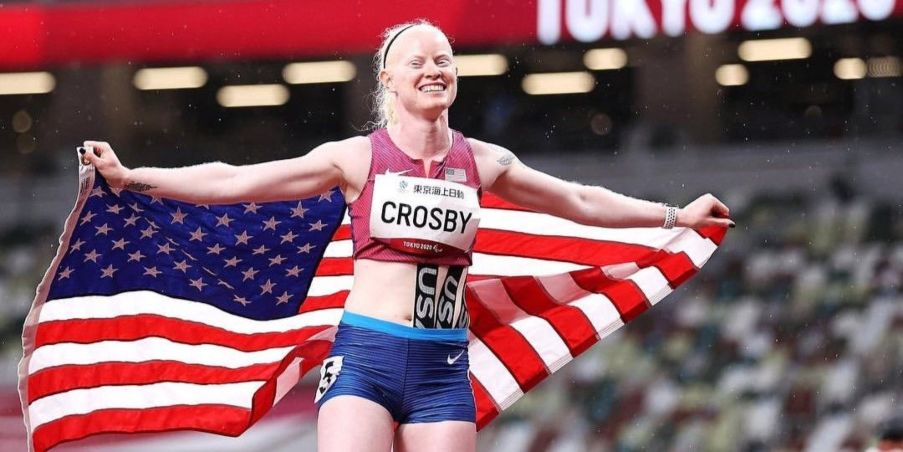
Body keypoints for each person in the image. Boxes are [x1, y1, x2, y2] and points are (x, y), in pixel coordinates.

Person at [79, 20, 734, 452]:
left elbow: (579, 201)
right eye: (413, 60)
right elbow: (237, 180)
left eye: (443, 58)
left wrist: (673, 216)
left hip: (442, 369)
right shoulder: (357, 158)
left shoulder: (484, 162)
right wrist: (135, 178)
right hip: (365, 358)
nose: (432, 67)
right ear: (387, 81)